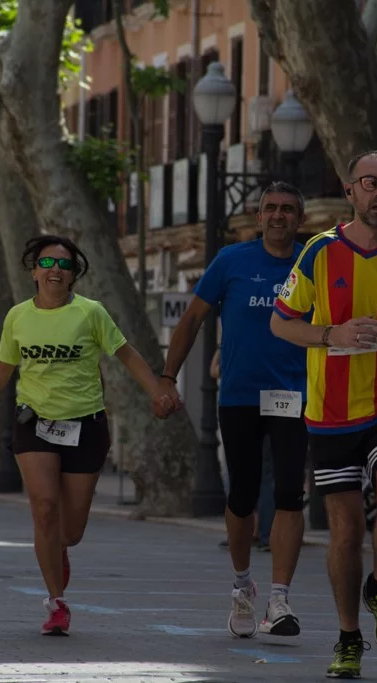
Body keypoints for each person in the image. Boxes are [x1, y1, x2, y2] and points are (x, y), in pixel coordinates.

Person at [0, 235, 173, 636]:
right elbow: (1, 372)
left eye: (64, 265)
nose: (54, 271)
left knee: (70, 531)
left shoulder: (91, 313)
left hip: (85, 425)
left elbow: (127, 355)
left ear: (73, 276)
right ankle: (56, 603)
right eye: (46, 264)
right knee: (45, 509)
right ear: (34, 271)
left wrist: (158, 391)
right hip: (35, 424)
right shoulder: (18, 316)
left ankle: (59, 549)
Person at [270, 151, 377, 679]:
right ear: (350, 190)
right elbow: (282, 324)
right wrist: (330, 336)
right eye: (371, 183)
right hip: (330, 414)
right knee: (344, 534)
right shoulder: (319, 252)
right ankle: (348, 638)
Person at [159, 181, 309, 638]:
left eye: (287, 209)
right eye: (270, 209)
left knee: (289, 492)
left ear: (299, 219)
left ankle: (280, 600)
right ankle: (243, 587)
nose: (279, 216)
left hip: (296, 396)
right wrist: (167, 378)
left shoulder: (315, 261)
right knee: (241, 495)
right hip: (240, 395)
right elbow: (191, 321)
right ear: (258, 217)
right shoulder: (231, 261)